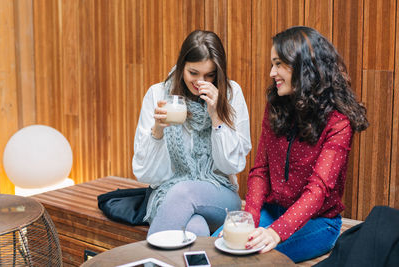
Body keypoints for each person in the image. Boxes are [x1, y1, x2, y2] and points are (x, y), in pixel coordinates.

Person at [214, 26, 369, 263]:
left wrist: (276, 232)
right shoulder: (275, 106)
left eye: (278, 64)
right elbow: (260, 172)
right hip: (271, 211)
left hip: (318, 223)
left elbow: (318, 190)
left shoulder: (339, 122)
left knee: (249, 258)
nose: (271, 72)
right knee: (218, 247)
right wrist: (250, 220)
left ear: (302, 67)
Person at [132, 30, 252, 237]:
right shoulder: (158, 94)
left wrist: (217, 116)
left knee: (183, 191)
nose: (200, 82)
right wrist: (158, 130)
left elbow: (232, 165)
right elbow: (145, 174)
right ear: (181, 67)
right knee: (196, 228)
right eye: (193, 73)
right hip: (166, 194)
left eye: (210, 75)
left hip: (219, 194)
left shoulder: (231, 94)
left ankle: (150, 261)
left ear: (219, 72)